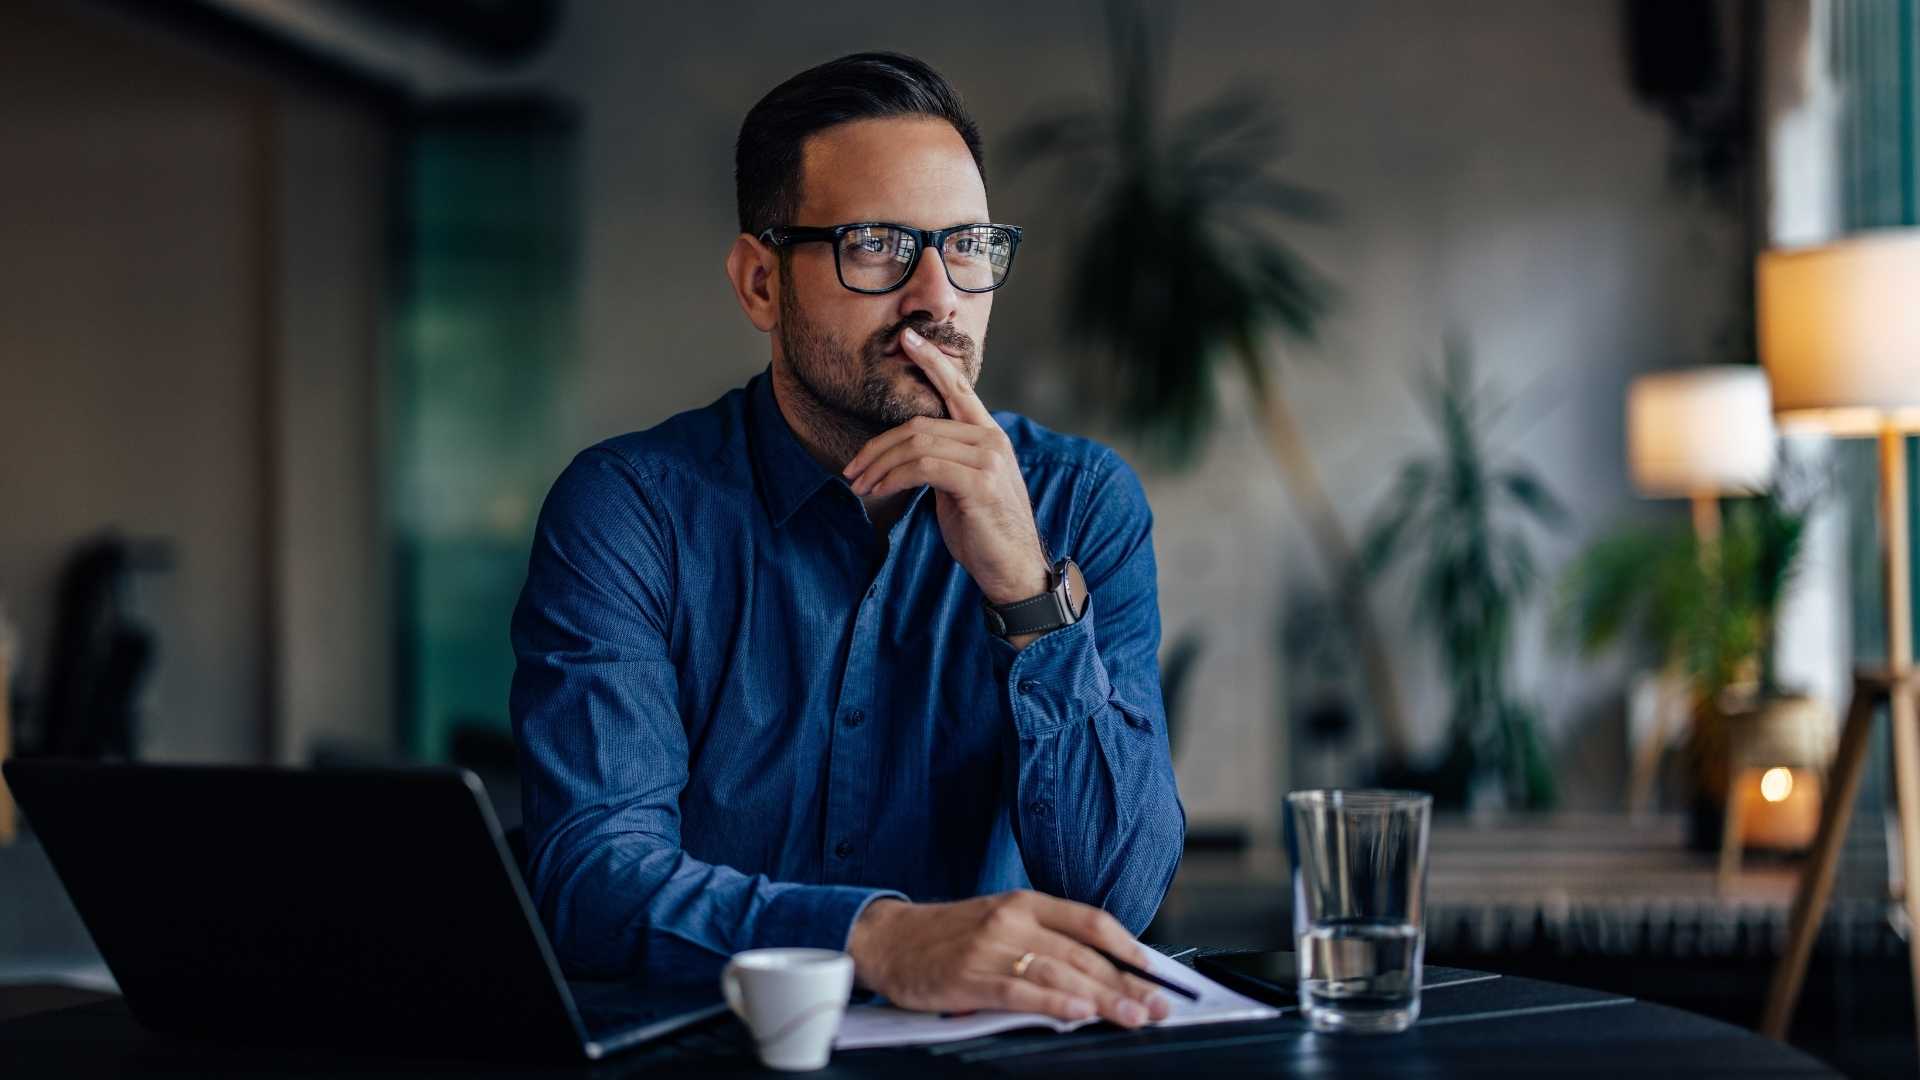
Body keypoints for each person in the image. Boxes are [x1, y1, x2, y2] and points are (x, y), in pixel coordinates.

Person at [510, 51, 1184, 1031]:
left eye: (967, 247)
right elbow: (591, 881)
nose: (936, 299)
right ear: (759, 284)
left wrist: (1025, 593)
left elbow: (1120, 893)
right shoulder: (631, 513)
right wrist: (876, 938)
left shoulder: (1081, 507)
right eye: (876, 246)